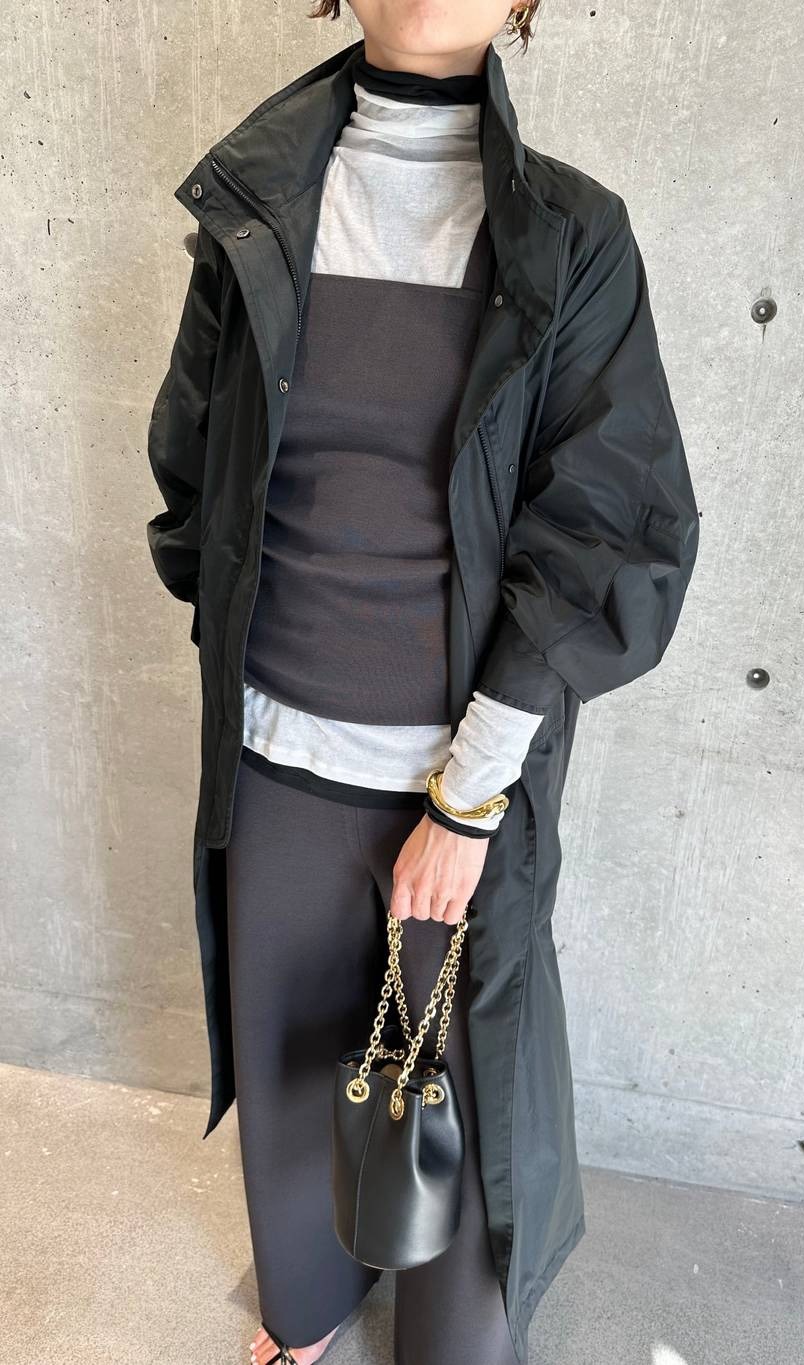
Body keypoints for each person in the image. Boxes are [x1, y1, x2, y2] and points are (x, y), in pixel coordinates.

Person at [144, 3, 700, 1363]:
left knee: (465, 1094)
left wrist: (465, 801)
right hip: (272, 755)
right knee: (290, 1064)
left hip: (457, 778)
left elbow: (611, 533)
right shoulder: (256, 204)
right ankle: (310, 1305)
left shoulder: (571, 235)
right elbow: (194, 463)